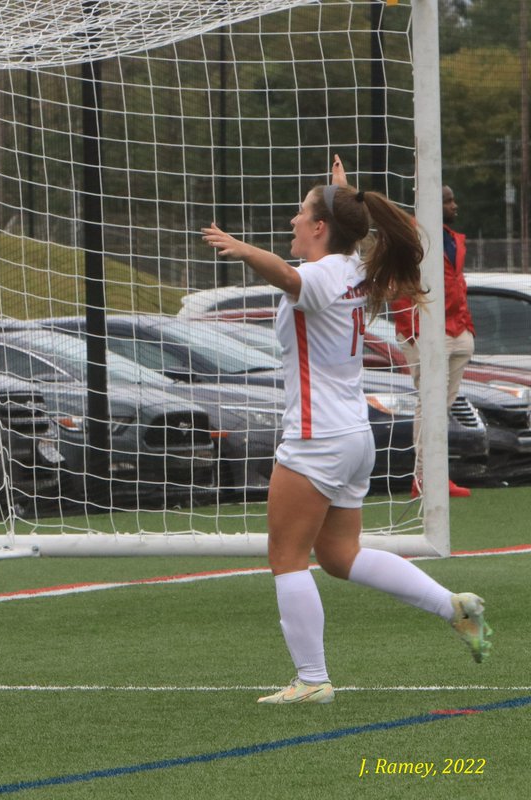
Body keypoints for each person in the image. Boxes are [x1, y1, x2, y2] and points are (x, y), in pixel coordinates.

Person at [201, 156, 493, 705]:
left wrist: (243, 250)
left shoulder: (318, 275)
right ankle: (452, 606)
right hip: (353, 435)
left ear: (320, 228)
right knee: (339, 556)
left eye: (301, 213)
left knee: (286, 558)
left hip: (317, 438)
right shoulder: (355, 266)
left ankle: (312, 680)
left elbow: (291, 277)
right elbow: (346, 242)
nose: (291, 220)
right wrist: (343, 194)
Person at [390, 184, 475, 499]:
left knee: (442, 406)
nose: (455, 206)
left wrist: (465, 326)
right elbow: (396, 283)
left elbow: (456, 282)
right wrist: (415, 329)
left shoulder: (452, 239)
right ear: (431, 205)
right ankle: (424, 477)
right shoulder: (409, 236)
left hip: (456, 330)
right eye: (448, 201)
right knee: (429, 403)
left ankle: (436, 475)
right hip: (425, 331)